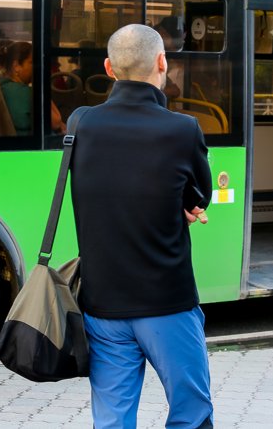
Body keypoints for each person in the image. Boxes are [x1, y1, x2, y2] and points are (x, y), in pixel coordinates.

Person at [67, 23, 213, 429]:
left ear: (109, 68)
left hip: (102, 304)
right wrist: (185, 203)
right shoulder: (183, 129)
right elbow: (198, 194)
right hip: (167, 303)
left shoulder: (80, 123)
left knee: (112, 421)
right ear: (162, 62)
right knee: (191, 414)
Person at [0, 41, 34, 136]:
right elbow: (55, 121)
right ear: (16, 66)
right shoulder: (22, 93)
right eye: (31, 62)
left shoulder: (0, 85)